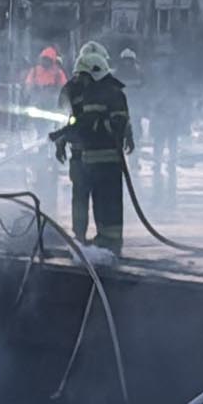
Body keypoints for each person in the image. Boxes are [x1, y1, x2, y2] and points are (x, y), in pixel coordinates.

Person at [54, 42, 133, 252]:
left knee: (103, 198)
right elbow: (67, 118)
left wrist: (124, 132)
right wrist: (63, 138)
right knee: (82, 195)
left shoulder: (104, 91)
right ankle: (80, 236)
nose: (81, 79)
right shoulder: (74, 89)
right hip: (82, 151)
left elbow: (117, 119)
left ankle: (108, 239)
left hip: (96, 152)